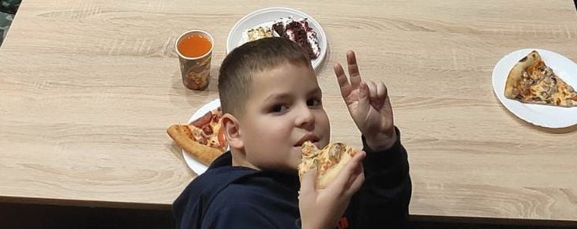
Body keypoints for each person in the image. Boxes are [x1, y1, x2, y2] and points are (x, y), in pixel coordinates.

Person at [173, 38, 411, 229]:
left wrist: (382, 145)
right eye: (279, 108)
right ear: (235, 132)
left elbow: (383, 220)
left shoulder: (312, 171)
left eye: (313, 101)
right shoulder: (235, 213)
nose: (307, 116)